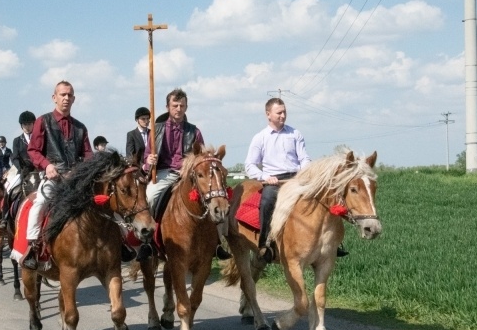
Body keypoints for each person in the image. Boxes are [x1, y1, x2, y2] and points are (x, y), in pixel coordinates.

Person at [245, 97, 345, 263]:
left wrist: (305, 171)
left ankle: (334, 242)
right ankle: (265, 245)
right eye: (279, 113)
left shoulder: (295, 134)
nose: (283, 116)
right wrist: (265, 177)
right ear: (268, 114)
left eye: (284, 112)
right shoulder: (260, 138)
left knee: (327, 195)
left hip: (297, 178)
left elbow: (304, 157)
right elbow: (250, 165)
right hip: (275, 181)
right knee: (267, 201)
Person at [143, 88, 230, 261]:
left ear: (186, 107)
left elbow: (202, 156)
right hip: (163, 172)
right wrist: (149, 162)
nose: (178, 109)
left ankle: (216, 242)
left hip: (188, 174)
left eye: (182, 105)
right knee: (151, 195)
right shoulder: (156, 130)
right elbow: (146, 157)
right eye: (175, 105)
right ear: (168, 107)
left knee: (214, 197)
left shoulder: (194, 131)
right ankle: (149, 242)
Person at [23, 80, 93, 270]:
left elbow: (88, 156)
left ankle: (117, 243)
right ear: (54, 98)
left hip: (75, 180)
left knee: (100, 202)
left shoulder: (80, 127)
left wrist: (80, 172)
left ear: (74, 99)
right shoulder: (43, 121)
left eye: (69, 95)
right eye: (62, 94)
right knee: (40, 203)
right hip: (53, 177)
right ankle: (32, 247)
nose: (66, 98)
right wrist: (47, 166)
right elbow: (33, 150)